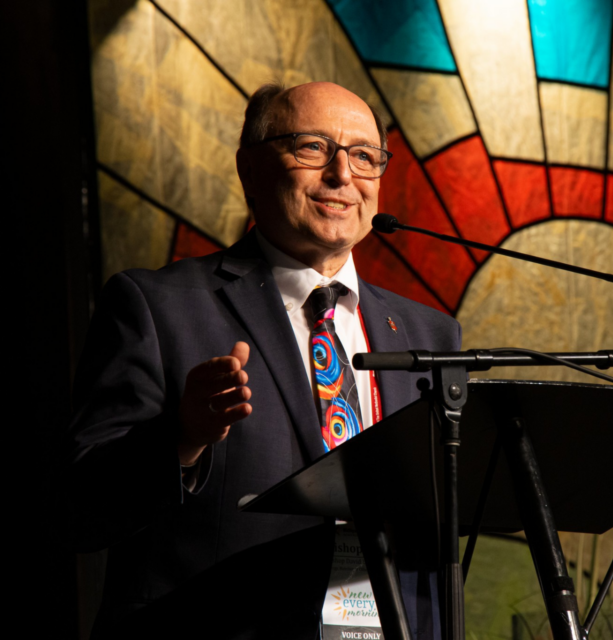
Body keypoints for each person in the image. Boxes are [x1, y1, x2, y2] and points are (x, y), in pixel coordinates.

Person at [65, 82, 459, 639]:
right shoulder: (157, 307)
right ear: (249, 168)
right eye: (313, 148)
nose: (343, 175)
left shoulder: (431, 334)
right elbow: (81, 506)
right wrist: (183, 438)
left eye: (365, 157)